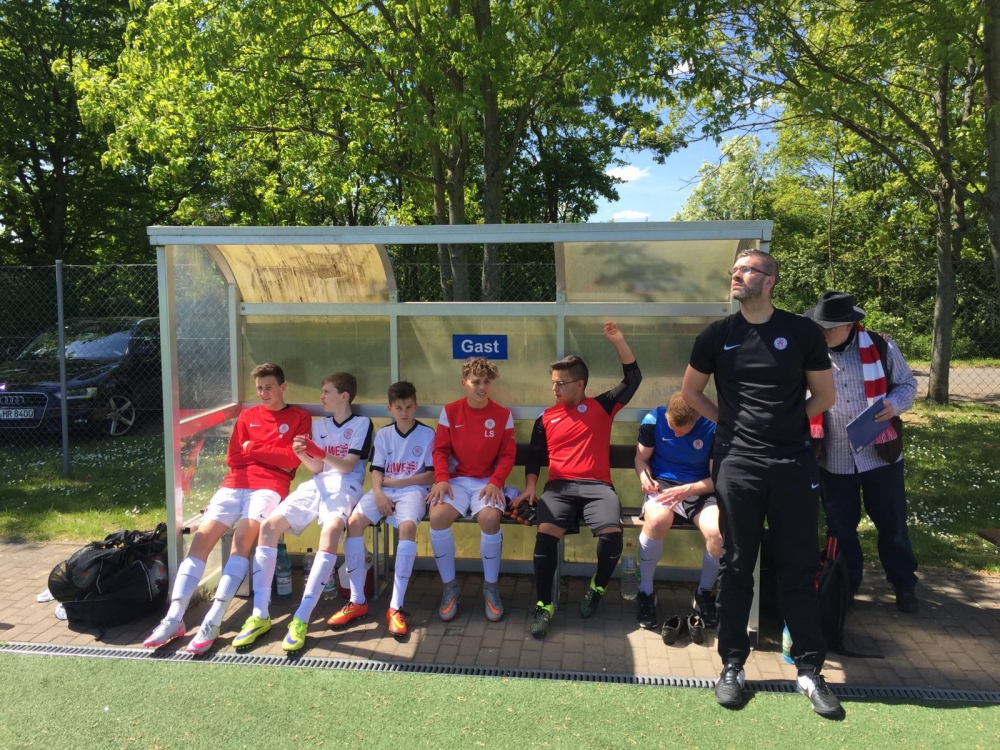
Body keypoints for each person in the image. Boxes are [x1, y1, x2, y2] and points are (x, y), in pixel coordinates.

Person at [681, 249, 843, 717]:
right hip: (738, 465)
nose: (736, 275)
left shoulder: (802, 332)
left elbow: (824, 396)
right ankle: (732, 665)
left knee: (798, 568)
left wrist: (787, 426)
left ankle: (809, 671)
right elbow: (691, 392)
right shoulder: (717, 335)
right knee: (736, 566)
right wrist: (729, 426)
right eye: (733, 270)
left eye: (746, 269)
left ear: (769, 280)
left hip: (792, 464)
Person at [144, 362, 311, 651]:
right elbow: (233, 457)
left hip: (269, 486)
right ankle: (174, 618)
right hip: (234, 483)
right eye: (259, 388)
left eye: (269, 387)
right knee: (202, 538)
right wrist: (266, 453)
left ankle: (213, 620)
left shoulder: (299, 417)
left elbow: (291, 460)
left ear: (283, 387)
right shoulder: (247, 415)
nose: (264, 393)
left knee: (241, 540)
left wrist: (253, 448)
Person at [230, 372, 374, 652]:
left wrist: (316, 451)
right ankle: (259, 615)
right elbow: (318, 468)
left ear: (344, 396)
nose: (321, 397)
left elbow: (347, 466)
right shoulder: (320, 425)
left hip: (345, 486)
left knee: (331, 530)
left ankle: (301, 618)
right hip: (317, 484)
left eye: (326, 392)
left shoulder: (362, 424)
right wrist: (302, 454)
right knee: (269, 526)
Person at [520, 322, 641, 638]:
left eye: (561, 383)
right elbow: (534, 456)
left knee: (612, 535)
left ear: (580, 384)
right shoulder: (545, 418)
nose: (555, 389)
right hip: (559, 488)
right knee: (545, 535)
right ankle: (544, 605)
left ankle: (597, 587)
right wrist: (531, 486)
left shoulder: (602, 405)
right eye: (553, 383)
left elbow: (633, 380)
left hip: (597, 488)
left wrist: (619, 342)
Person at [803, 290, 919, 613]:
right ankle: (846, 587)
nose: (822, 333)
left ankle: (904, 584)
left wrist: (893, 404)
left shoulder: (881, 345)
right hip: (834, 457)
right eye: (819, 326)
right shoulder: (810, 352)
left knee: (893, 525)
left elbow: (908, 385)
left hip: (880, 454)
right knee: (840, 529)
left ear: (848, 325)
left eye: (828, 328)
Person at [326, 381, 435, 637]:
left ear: (416, 406)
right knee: (353, 523)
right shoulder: (384, 434)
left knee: (407, 528)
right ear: (390, 409)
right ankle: (357, 601)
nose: (404, 412)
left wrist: (397, 483)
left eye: (409, 407)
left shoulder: (428, 434)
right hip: (382, 490)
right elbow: (376, 471)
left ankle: (395, 607)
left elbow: (431, 475)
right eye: (399, 408)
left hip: (413, 490)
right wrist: (378, 494)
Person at [427, 357, 516, 622]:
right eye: (476, 382)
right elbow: (441, 450)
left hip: (487, 482)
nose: (482, 387)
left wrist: (495, 481)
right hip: (455, 481)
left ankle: (491, 588)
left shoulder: (503, 415)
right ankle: (449, 587)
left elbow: (507, 455)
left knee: (490, 519)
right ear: (464, 383)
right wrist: (441, 478)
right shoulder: (451, 411)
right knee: (437, 516)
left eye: (487, 382)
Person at [634, 392, 722, 641]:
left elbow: (717, 479)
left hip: (700, 488)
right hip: (663, 485)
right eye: (672, 428)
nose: (676, 434)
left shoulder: (714, 426)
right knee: (657, 521)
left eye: (682, 431)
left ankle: (703, 593)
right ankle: (646, 592)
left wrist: (688, 490)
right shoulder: (653, 420)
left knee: (718, 533)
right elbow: (641, 459)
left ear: (697, 417)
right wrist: (643, 476)